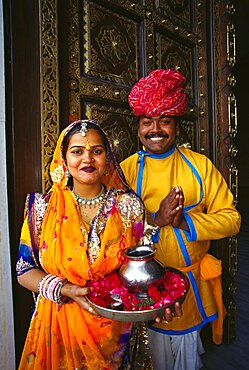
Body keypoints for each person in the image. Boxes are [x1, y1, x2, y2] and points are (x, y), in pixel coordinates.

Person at [120, 69, 241, 370]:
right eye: (147, 121)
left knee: (186, 360)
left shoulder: (199, 166)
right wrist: (155, 218)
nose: (155, 129)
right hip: (143, 289)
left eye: (164, 120)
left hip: (189, 287)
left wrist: (185, 222)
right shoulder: (124, 170)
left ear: (175, 126)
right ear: (138, 128)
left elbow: (232, 220)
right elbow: (110, 229)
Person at [16, 119, 158, 370]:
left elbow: (140, 270)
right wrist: (64, 289)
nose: (87, 159)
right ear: (64, 159)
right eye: (77, 151)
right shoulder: (41, 208)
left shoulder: (129, 206)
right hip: (57, 331)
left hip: (114, 332)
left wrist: (155, 303)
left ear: (107, 158)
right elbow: (24, 270)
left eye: (97, 151)